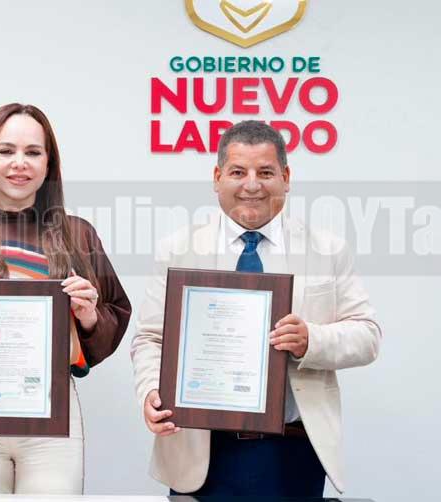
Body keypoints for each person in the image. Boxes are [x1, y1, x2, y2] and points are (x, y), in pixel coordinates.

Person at [131, 120, 381, 497]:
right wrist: (152, 390)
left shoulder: (328, 250)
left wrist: (311, 339)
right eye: (237, 172)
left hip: (293, 450)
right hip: (198, 452)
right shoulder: (178, 249)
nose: (252, 185)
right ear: (217, 177)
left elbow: (367, 335)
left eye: (265, 173)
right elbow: (151, 338)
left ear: (285, 178)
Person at [0, 103, 132, 494]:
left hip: (51, 417)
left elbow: (115, 312)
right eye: (6, 151)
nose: (20, 163)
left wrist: (88, 316)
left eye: (33, 152)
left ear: (49, 164)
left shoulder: (77, 236)